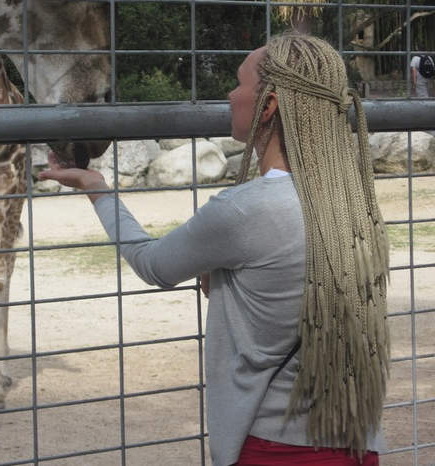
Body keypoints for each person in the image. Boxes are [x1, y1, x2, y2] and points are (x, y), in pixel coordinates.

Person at [39, 32, 390, 466]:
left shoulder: (246, 210)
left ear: (268, 104)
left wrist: (97, 188)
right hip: (359, 443)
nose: (230, 95)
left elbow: (152, 264)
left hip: (275, 450)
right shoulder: (354, 201)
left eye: (239, 83)